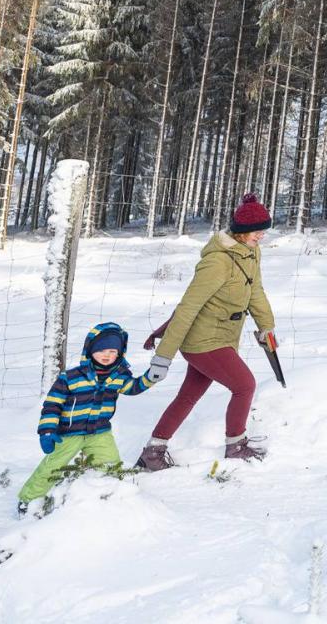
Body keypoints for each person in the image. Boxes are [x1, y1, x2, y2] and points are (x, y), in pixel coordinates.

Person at [135, 193, 280, 470]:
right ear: (240, 232)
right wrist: (162, 358)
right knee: (244, 385)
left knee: (189, 395)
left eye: (264, 230)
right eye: (257, 231)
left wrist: (266, 326)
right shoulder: (217, 262)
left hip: (223, 337)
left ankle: (153, 452)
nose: (261, 236)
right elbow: (188, 308)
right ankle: (235, 446)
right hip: (202, 340)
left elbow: (255, 291)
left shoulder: (250, 252)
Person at [17, 321, 153, 514]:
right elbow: (52, 404)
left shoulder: (119, 376)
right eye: (102, 350)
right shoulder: (70, 377)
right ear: (90, 351)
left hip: (100, 432)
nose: (107, 355)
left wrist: (151, 377)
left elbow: (134, 387)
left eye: (113, 352)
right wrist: (47, 431)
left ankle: (110, 496)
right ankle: (28, 500)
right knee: (53, 467)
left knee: (111, 464)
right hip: (69, 434)